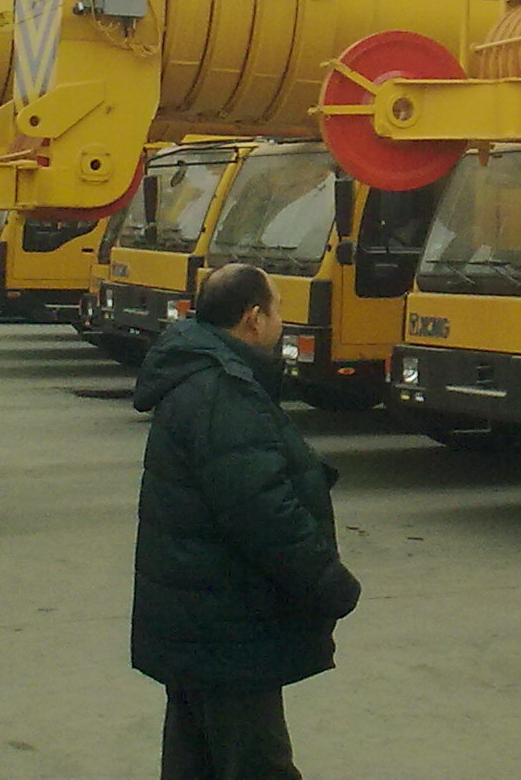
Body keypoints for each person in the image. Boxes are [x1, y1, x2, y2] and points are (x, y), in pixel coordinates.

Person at [131, 263, 361, 780]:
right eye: (278, 309)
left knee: (196, 759)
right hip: (226, 625)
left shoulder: (201, 374)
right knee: (255, 763)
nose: (281, 320)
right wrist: (331, 584)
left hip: (200, 616)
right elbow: (263, 512)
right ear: (254, 318)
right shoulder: (223, 391)